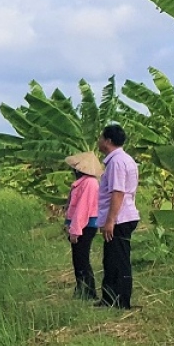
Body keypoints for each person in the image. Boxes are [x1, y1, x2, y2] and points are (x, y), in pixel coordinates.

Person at [96, 125, 140, 309]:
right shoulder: (124, 159)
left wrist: (110, 220)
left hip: (120, 217)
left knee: (119, 260)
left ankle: (121, 301)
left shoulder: (116, 162)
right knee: (111, 259)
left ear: (108, 141)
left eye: (101, 137)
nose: (98, 140)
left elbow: (118, 192)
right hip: (122, 215)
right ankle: (109, 298)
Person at [63, 151, 102, 300]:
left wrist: (75, 230)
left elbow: (82, 209)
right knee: (78, 259)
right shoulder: (83, 183)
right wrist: (69, 223)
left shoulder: (89, 183)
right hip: (82, 224)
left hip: (85, 225)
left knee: (82, 259)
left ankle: (88, 292)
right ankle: (82, 289)